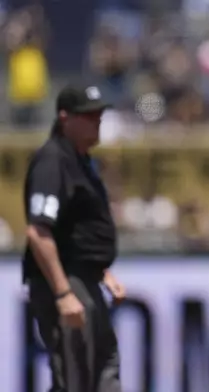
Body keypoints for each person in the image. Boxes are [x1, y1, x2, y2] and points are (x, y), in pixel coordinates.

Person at [22, 83, 125, 392]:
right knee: (76, 376)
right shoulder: (53, 160)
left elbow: (78, 228)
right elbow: (38, 232)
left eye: (98, 115)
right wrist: (63, 293)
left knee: (101, 366)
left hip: (85, 278)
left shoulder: (80, 160)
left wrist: (102, 271)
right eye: (88, 116)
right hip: (67, 280)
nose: (97, 121)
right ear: (65, 118)